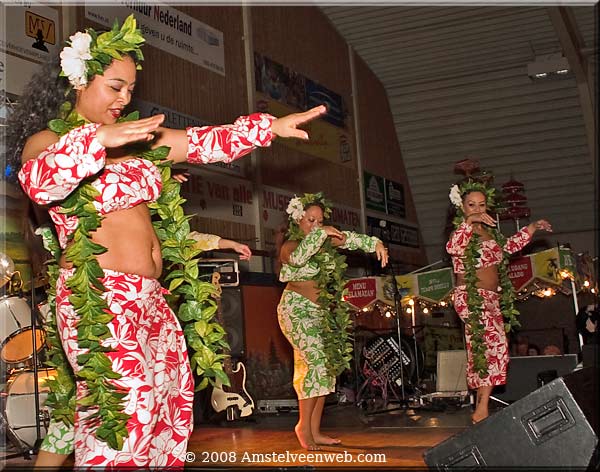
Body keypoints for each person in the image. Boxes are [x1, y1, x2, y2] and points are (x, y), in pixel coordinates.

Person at [9, 15, 326, 468]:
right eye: (114, 86)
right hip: (101, 297)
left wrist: (269, 129)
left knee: (165, 414)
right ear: (80, 80)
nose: (124, 99)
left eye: (131, 90)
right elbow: (39, 181)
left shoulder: (138, 142)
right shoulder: (49, 140)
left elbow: (202, 142)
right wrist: (97, 139)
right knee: (124, 416)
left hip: (151, 299)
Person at [277, 193, 388, 450]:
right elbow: (299, 258)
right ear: (297, 220)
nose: (315, 225)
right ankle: (303, 426)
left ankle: (315, 431)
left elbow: (350, 238)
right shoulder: (290, 245)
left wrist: (376, 244)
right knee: (316, 363)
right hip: (296, 311)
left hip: (320, 313)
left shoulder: (325, 243)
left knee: (324, 370)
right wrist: (320, 233)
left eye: (319, 221)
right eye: (310, 220)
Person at [446, 180, 552, 424]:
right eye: (471, 205)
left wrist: (533, 227)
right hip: (471, 298)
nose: (476, 209)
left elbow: (507, 246)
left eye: (481, 205)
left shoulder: (489, 232)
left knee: (497, 351)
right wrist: (469, 222)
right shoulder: (462, 231)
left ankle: (481, 407)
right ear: (462, 207)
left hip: (491, 299)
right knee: (489, 347)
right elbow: (453, 247)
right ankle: (481, 408)